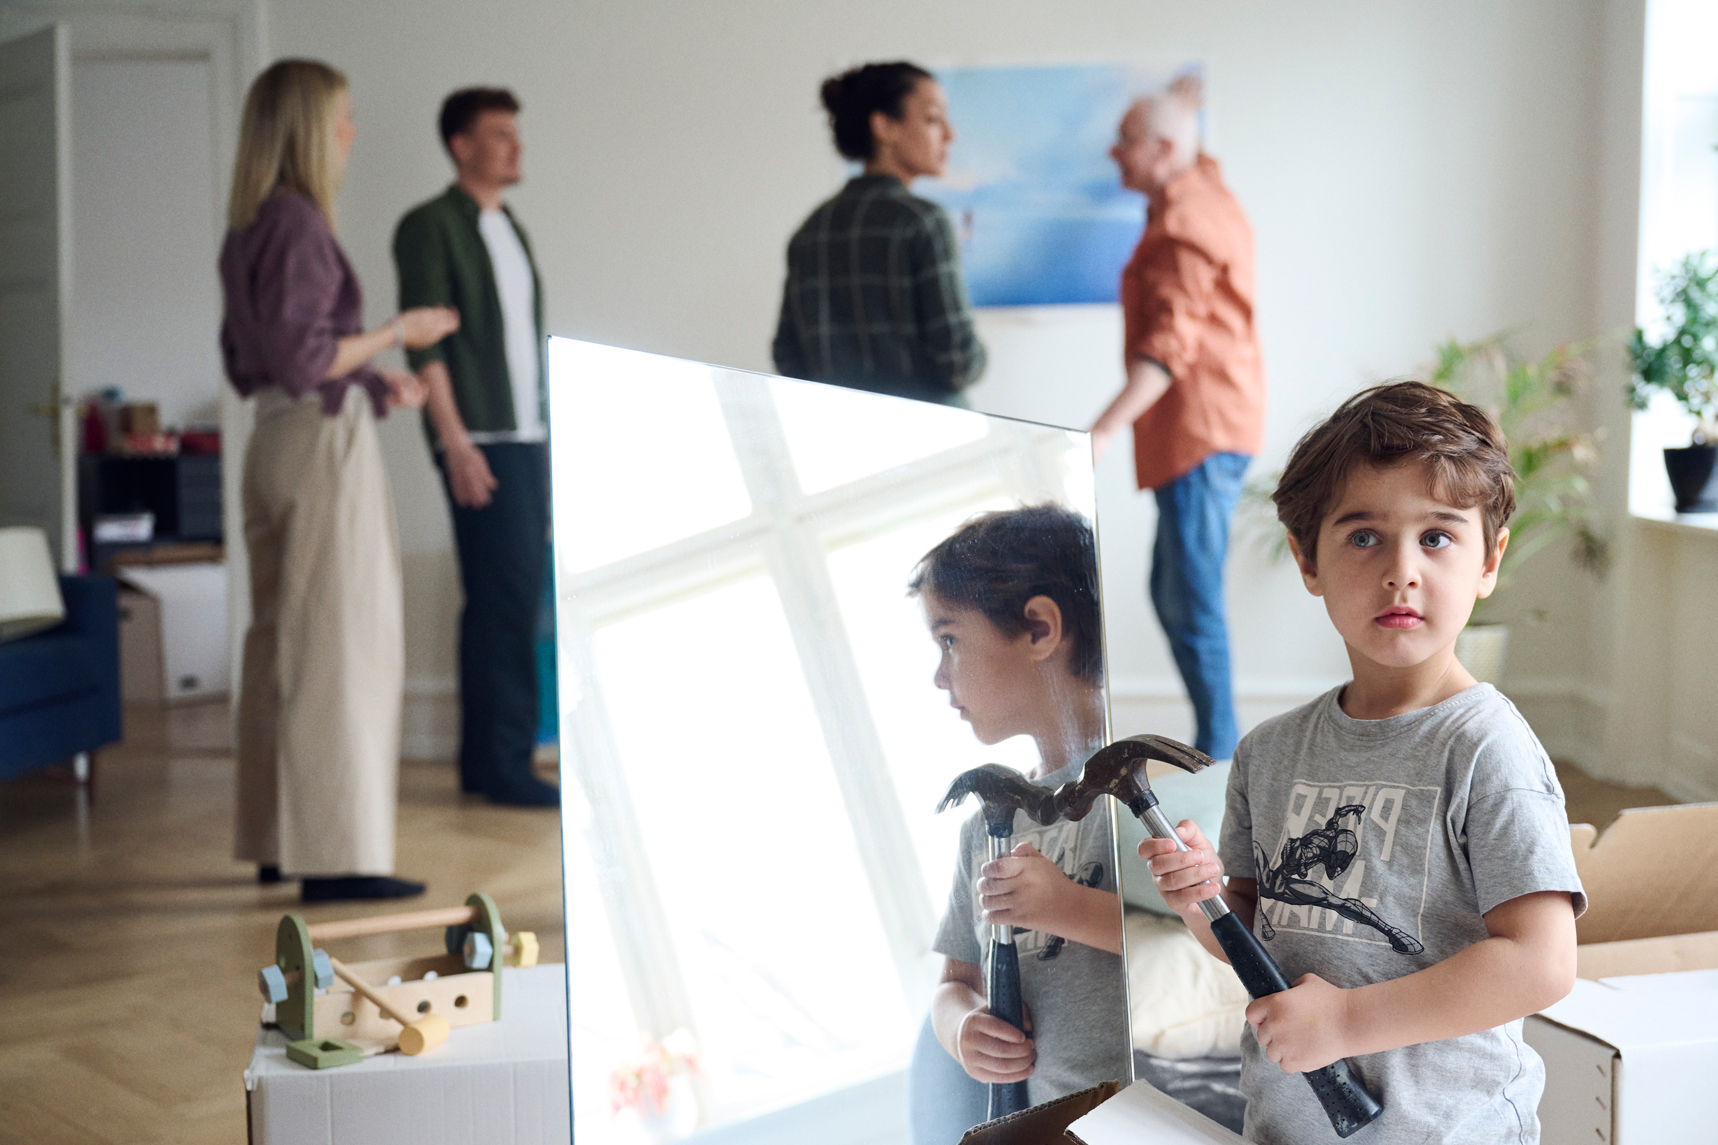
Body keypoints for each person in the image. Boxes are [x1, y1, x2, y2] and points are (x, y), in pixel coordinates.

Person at [1142, 382, 1585, 1143]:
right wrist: (1200, 901)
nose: (1401, 569)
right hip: (1288, 1125)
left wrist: (1348, 1020)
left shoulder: (1487, 749)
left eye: (1438, 537)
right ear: (1307, 558)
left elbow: (1540, 963)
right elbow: (1253, 937)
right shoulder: (1270, 752)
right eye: (1363, 536)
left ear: (1490, 559)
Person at [220, 59, 459, 902]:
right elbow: (304, 353)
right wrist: (400, 332)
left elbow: (270, 361)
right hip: (320, 451)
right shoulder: (298, 223)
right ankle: (338, 859)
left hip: (274, 439)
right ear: (309, 130)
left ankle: (277, 840)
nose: (352, 132)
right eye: (343, 118)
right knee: (339, 650)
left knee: (278, 644)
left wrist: (369, 380)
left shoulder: (250, 225)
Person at [907, 505, 1130, 1138]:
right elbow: (955, 983)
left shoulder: (1136, 788)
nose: (938, 675)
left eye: (950, 639)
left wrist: (1065, 908)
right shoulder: (984, 827)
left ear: (1038, 628)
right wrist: (962, 1028)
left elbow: (1196, 940)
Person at [1089, 76, 1265, 763]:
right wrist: (1179, 105)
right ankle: (1216, 743)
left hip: (1200, 428)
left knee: (1190, 599)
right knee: (1172, 591)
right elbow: (1193, 148)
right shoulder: (1199, 188)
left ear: (1164, 148)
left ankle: (1223, 758)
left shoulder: (1185, 224)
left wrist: (1102, 429)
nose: (1113, 152)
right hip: (1208, 426)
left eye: (1126, 140)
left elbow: (1169, 349)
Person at [393, 88, 557, 806]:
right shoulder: (429, 226)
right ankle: (504, 767)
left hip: (527, 436)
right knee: (502, 599)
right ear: (461, 145)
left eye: (515, 133)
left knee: (509, 599)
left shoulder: (510, 226)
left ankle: (491, 764)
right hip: (480, 438)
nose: (515, 147)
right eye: (499, 134)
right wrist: (453, 441)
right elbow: (425, 343)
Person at [773, 61, 987, 405]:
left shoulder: (811, 230)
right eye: (933, 119)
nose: (950, 135)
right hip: (936, 439)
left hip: (845, 436)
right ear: (884, 126)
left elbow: (787, 355)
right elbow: (959, 361)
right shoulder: (924, 221)